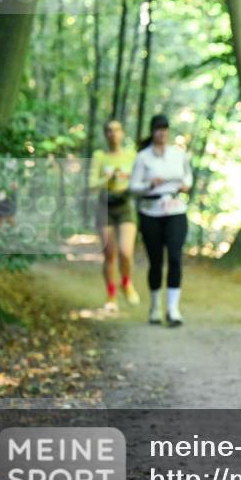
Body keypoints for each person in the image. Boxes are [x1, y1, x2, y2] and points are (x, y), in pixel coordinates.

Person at [128, 114, 192, 327]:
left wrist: (185, 186)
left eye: (165, 129)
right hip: (150, 212)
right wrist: (149, 185)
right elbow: (133, 187)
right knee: (156, 261)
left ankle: (173, 309)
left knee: (174, 257)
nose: (161, 133)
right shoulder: (143, 157)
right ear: (152, 131)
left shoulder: (178, 155)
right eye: (158, 128)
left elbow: (188, 177)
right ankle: (155, 306)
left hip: (175, 210)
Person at [89, 119, 139, 312]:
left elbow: (138, 180)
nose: (113, 134)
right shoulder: (99, 156)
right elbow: (92, 184)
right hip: (105, 206)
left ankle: (126, 283)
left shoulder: (131, 156)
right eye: (109, 130)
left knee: (126, 252)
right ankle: (111, 295)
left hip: (125, 205)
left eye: (116, 130)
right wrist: (108, 178)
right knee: (110, 255)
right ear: (105, 134)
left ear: (123, 133)